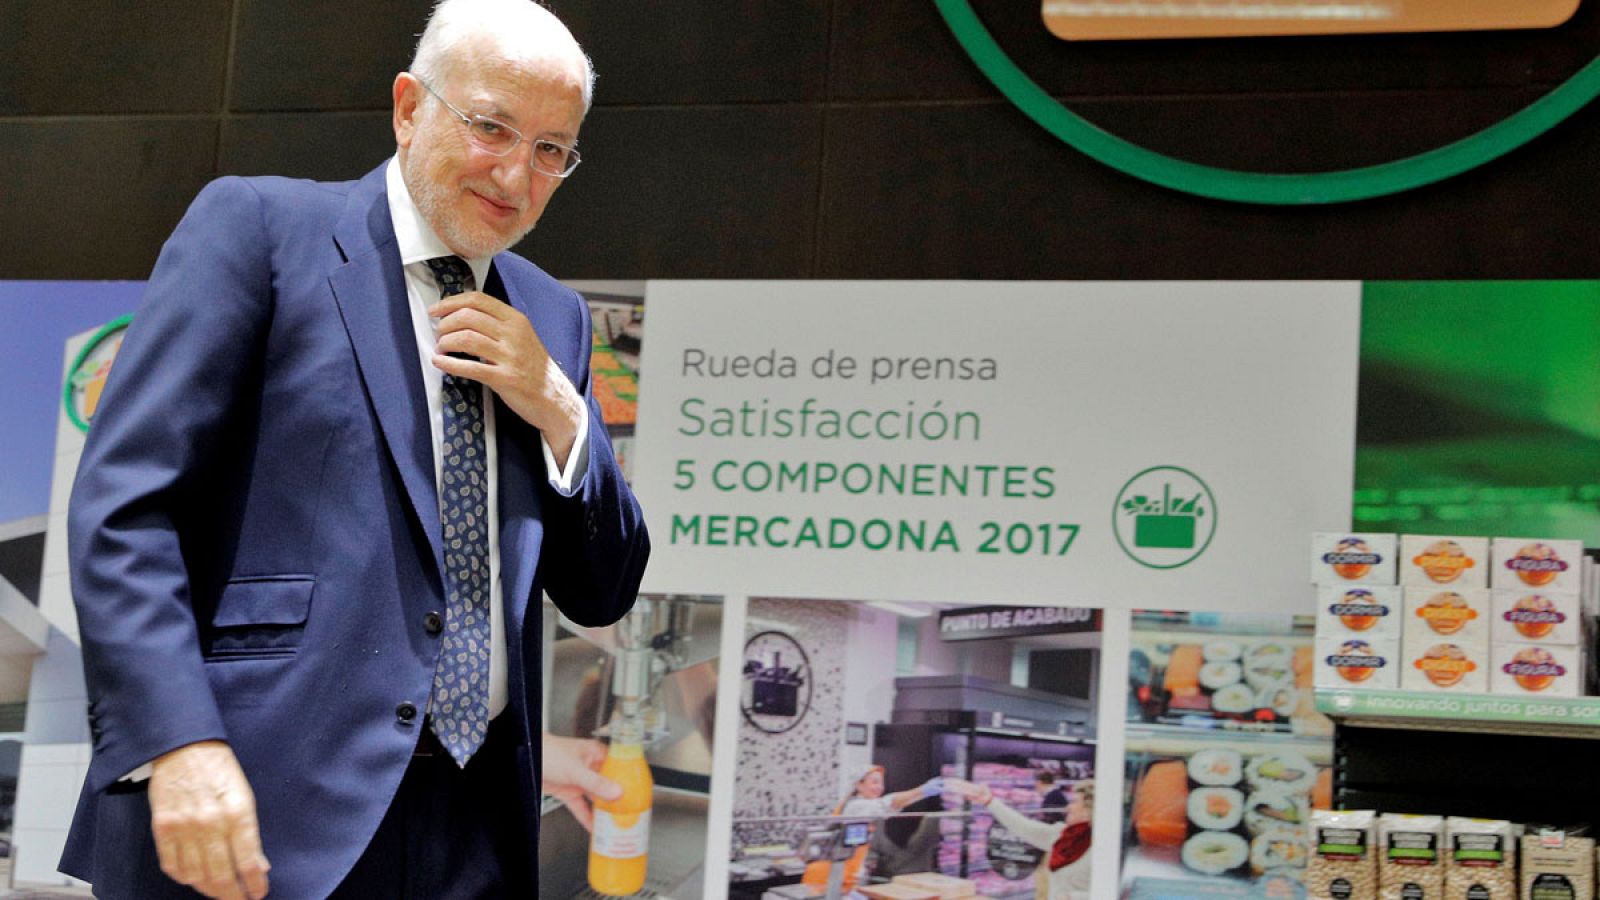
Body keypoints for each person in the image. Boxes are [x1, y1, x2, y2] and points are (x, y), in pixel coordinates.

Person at [57, 1, 649, 896]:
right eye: (493, 128)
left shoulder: (552, 318)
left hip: (473, 826)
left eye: (550, 150)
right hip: (263, 802)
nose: (517, 174)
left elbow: (602, 586)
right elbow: (126, 508)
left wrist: (561, 412)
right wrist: (175, 741)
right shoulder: (260, 231)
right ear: (410, 106)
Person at [801, 764, 945, 894]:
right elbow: (888, 804)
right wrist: (922, 791)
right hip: (825, 878)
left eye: (881, 782)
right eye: (874, 782)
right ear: (859, 785)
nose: (880, 787)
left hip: (843, 879)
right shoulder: (856, 806)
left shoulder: (865, 809)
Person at [950, 778, 1094, 900]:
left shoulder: (1100, 847)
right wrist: (989, 801)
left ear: (1089, 811)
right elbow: (1024, 827)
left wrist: (1075, 896)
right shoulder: (1062, 835)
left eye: (1075, 802)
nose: (1068, 807)